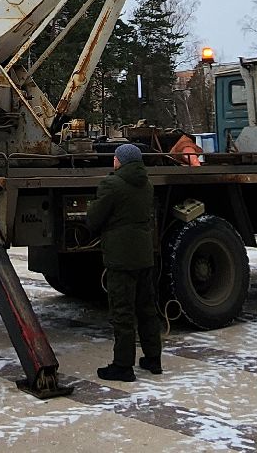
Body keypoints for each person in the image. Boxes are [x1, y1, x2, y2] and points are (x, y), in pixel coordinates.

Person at [85, 143, 162, 382]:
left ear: (121, 161)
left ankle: (123, 366)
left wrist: (90, 209)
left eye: (116, 158)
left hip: (121, 257)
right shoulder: (146, 184)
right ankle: (153, 359)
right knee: (147, 309)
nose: (113, 161)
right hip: (143, 255)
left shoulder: (112, 184)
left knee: (122, 312)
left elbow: (94, 219)